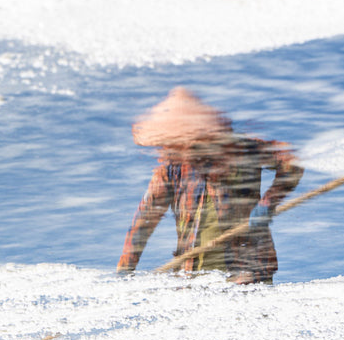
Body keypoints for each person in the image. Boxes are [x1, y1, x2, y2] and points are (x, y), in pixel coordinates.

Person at [116, 87, 304, 284]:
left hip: (248, 271)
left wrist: (267, 203)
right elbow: (145, 218)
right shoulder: (172, 170)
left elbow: (291, 162)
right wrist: (125, 268)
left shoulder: (243, 150)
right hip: (192, 276)